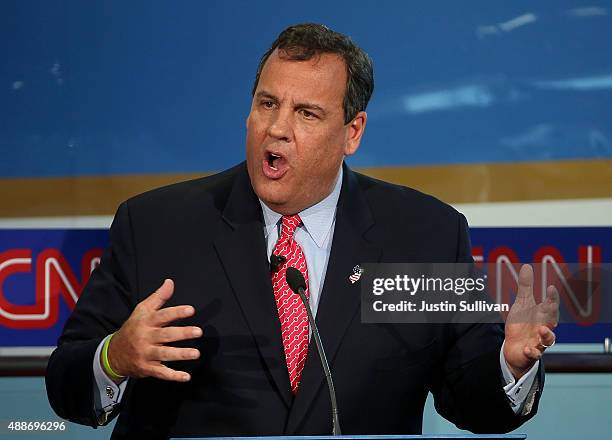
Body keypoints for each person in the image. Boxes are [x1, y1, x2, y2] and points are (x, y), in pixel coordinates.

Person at [46, 23, 559, 439]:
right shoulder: (158, 225)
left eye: (306, 113)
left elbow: (471, 400)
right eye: (267, 103)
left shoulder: (425, 234)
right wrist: (114, 357)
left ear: (351, 133)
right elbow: (67, 387)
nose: (277, 128)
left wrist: (509, 366)